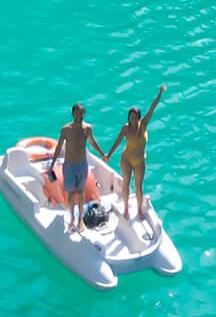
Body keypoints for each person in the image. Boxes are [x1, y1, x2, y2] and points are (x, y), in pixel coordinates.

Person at [47, 103, 107, 235]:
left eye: (81, 113)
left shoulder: (87, 128)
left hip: (82, 164)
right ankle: (72, 219)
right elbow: (58, 146)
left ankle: (80, 219)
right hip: (69, 165)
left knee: (80, 193)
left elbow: (93, 142)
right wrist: (52, 164)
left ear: (84, 114)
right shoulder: (66, 129)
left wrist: (102, 154)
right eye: (76, 112)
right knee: (70, 193)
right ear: (73, 113)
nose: (78, 115)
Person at [108, 85, 165, 224]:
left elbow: (152, 108)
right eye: (130, 117)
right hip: (126, 159)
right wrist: (108, 154)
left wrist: (160, 94)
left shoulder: (143, 124)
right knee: (126, 183)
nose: (132, 119)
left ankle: (139, 210)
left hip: (140, 161)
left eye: (134, 117)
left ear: (138, 118)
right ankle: (126, 208)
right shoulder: (126, 128)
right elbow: (117, 142)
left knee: (139, 186)